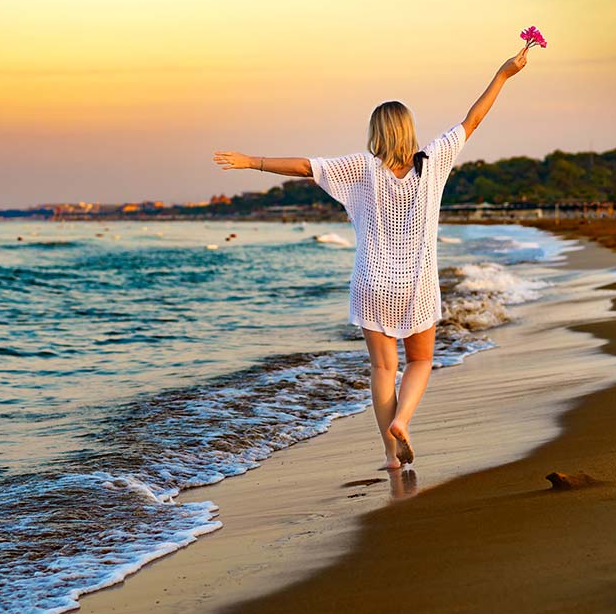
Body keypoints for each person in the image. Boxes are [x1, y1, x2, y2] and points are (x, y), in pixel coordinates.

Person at [213, 43, 529, 469]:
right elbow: (473, 119)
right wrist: (504, 74)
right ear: (408, 130)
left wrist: (252, 161)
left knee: (382, 370)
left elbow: (306, 167)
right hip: (416, 283)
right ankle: (403, 420)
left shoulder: (362, 168)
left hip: (370, 282)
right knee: (421, 360)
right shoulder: (434, 159)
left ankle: (391, 456)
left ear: (376, 132)